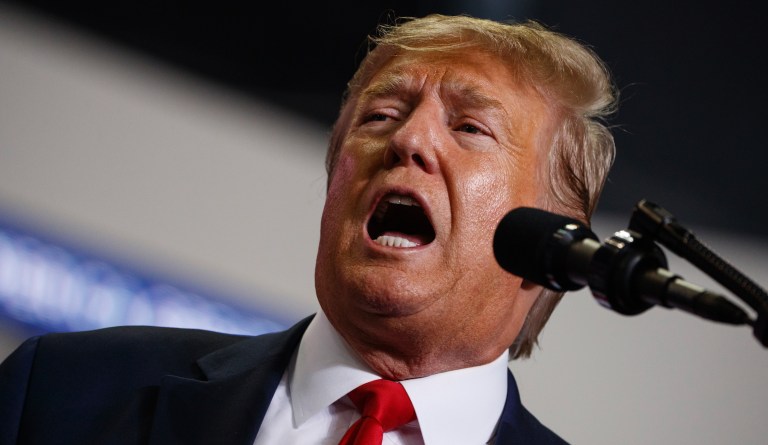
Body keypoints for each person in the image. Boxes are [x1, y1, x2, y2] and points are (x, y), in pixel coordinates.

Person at [0, 13, 616, 445]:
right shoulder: (62, 391)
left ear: (551, 240)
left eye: (470, 128)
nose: (407, 139)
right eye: (381, 114)